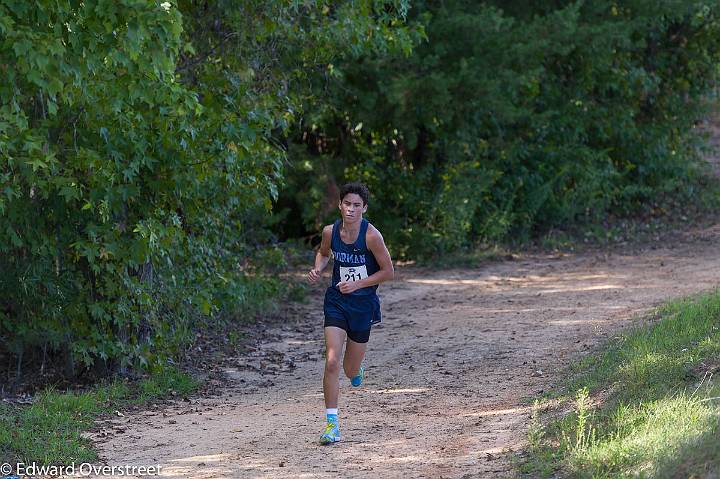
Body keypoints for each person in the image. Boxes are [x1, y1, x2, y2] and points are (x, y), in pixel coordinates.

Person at [307, 182, 394, 445]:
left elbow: (388, 272)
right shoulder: (330, 232)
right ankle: (332, 424)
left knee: (349, 369)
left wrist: (357, 284)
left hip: (362, 305)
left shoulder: (371, 236)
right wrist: (318, 268)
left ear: (364, 208)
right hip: (336, 302)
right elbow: (323, 254)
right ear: (340, 205)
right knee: (332, 361)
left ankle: (357, 368)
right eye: (348, 204)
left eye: (357, 205)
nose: (352, 209)